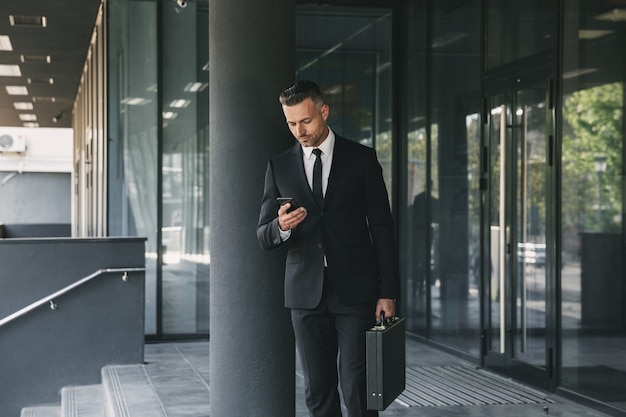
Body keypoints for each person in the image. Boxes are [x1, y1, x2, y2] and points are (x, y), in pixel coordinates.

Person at [257, 80, 400, 417]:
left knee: (358, 386)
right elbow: (263, 235)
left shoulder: (361, 159)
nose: (299, 131)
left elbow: (382, 228)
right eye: (291, 124)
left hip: (356, 291)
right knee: (318, 390)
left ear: (324, 111)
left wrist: (388, 291)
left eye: (305, 121)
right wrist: (281, 227)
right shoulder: (279, 166)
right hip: (305, 296)